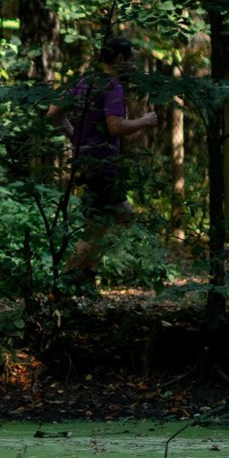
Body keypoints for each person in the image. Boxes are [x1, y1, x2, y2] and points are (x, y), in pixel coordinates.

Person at [48, 37, 157, 285]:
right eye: (131, 59)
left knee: (114, 218)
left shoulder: (84, 82)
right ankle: (64, 285)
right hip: (100, 165)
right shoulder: (112, 86)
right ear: (119, 59)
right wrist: (146, 121)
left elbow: (53, 113)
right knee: (100, 226)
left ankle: (86, 277)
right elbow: (115, 126)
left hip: (86, 163)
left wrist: (75, 137)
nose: (134, 66)